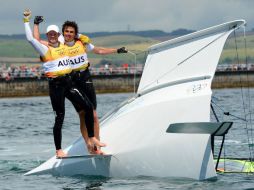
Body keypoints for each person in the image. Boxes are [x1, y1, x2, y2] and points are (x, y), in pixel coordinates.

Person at [33, 19, 127, 154]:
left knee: (93, 114)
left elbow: (98, 51)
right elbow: (37, 41)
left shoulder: (81, 42)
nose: (69, 34)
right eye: (66, 31)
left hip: (85, 77)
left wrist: (117, 50)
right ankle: (89, 145)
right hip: (71, 80)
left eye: (72, 32)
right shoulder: (58, 43)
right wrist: (35, 24)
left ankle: (96, 145)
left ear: (76, 33)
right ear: (62, 33)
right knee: (82, 114)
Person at [23, 9, 105, 157]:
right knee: (60, 117)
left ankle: (92, 138)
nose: (53, 35)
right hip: (56, 86)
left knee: (88, 107)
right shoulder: (45, 49)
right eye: (50, 34)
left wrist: (81, 37)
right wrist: (30, 22)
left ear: (58, 35)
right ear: (47, 36)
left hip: (69, 83)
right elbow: (31, 39)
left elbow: (77, 39)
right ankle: (59, 150)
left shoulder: (62, 45)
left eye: (55, 33)